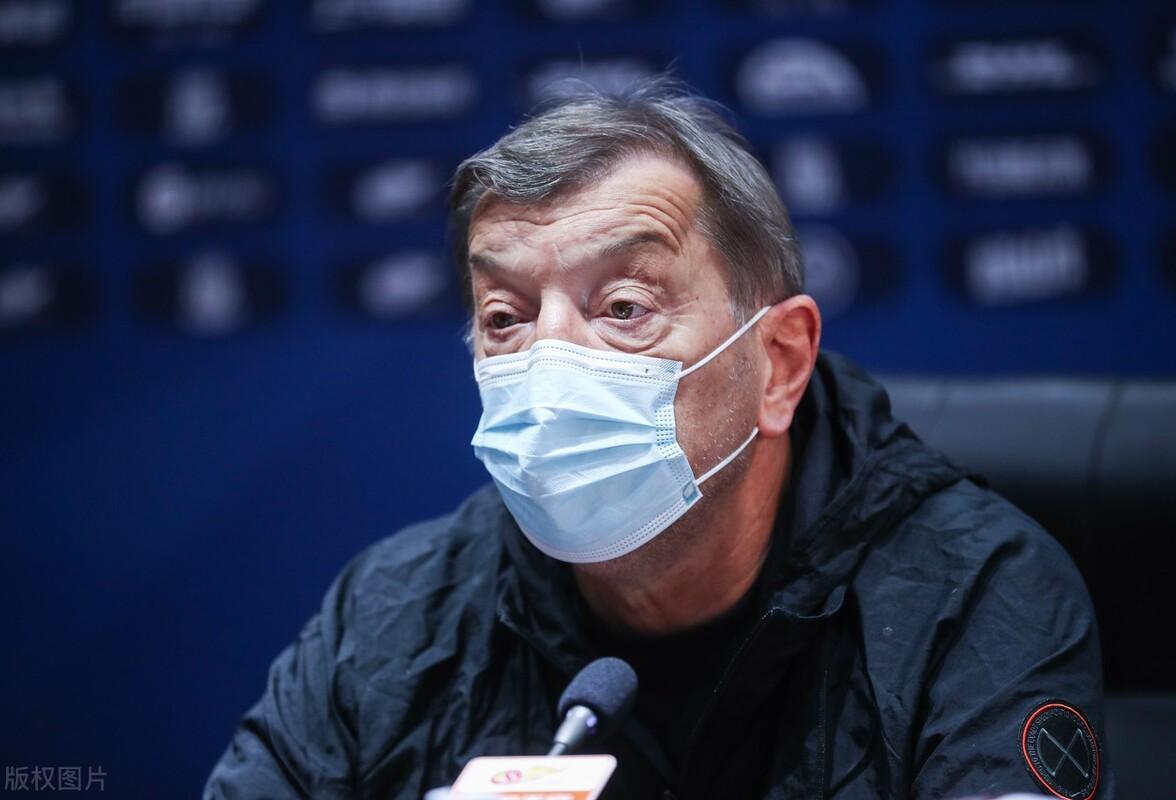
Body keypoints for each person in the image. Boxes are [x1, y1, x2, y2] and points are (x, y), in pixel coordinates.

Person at [205, 79, 1111, 800]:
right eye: (506, 317)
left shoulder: (973, 598)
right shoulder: (391, 621)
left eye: (624, 307)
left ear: (779, 363)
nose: (552, 362)